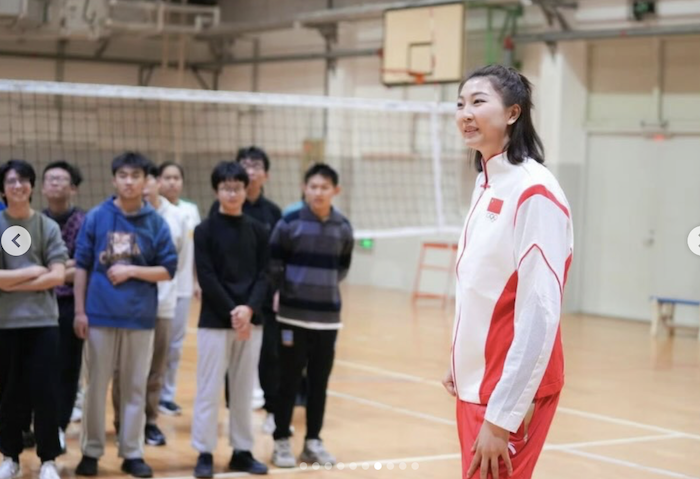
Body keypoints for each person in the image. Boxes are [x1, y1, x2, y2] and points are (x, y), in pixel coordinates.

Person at [442, 65, 574, 479]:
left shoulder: (534, 191)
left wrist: (501, 418)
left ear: (513, 113)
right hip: (480, 378)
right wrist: (461, 358)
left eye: (478, 102)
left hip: (508, 390)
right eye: (460, 104)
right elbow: (482, 287)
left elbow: (540, 311)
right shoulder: (488, 181)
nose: (466, 113)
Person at [73, 152, 178, 478]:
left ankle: (132, 452)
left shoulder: (155, 222)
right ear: (114, 179)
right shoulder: (96, 217)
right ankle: (91, 451)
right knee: (95, 388)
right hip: (99, 316)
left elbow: (168, 269)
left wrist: (132, 270)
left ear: (146, 181)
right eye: (123, 175)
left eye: (135, 176)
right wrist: (79, 311)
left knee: (134, 387)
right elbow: (81, 266)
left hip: (139, 317)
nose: (129, 182)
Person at [268, 163, 354, 469]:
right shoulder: (289, 222)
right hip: (292, 317)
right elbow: (274, 263)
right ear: (304, 188)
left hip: (327, 319)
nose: (318, 192)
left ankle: (313, 441)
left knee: (319, 383)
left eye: (324, 187)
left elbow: (342, 267)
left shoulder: (343, 227)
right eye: (313, 186)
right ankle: (281, 440)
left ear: (335, 191)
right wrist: (289, 291)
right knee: (288, 382)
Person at [191, 161, 269, 477]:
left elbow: (264, 275)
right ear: (216, 191)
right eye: (226, 188)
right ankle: (204, 451)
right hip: (215, 320)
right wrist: (233, 310)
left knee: (244, 389)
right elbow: (206, 276)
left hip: (250, 321)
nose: (232, 193)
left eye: (237, 187)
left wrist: (248, 309)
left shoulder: (259, 230)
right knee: (208, 388)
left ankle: (242, 450)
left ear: (245, 190)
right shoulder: (204, 230)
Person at [0, 159, 68, 479]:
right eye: (11, 181)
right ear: (3, 189)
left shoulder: (47, 226)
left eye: (24, 180)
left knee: (45, 393)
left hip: (43, 323)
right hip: (5, 323)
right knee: (8, 394)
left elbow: (57, 276)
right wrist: (33, 272)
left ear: (31, 186)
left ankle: (48, 460)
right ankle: (10, 457)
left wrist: (11, 282)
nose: (18, 186)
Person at [112, 164, 187, 447]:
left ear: (155, 182)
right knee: (123, 368)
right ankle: (122, 423)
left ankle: (150, 421)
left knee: (156, 368)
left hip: (164, 303)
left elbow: (179, 263)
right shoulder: (122, 215)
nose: (139, 185)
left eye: (144, 178)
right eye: (129, 177)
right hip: (127, 305)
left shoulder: (177, 217)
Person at [208, 147, 282, 430]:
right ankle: (234, 412)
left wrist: (276, 290)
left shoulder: (272, 212)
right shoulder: (220, 210)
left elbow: (277, 259)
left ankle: (273, 412)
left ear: (266, 174)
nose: (250, 171)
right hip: (230, 301)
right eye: (245, 165)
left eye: (256, 166)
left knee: (270, 355)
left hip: (262, 299)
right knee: (231, 358)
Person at [41, 160, 87, 450]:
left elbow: (84, 264)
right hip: (36, 305)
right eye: (50, 179)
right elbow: (25, 262)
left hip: (70, 304)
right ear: (42, 188)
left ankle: (58, 426)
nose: (55, 183)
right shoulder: (33, 222)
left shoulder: (84, 222)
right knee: (35, 368)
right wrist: (63, 268)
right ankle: (33, 425)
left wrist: (51, 270)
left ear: (73, 188)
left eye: (61, 179)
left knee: (67, 369)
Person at [157, 161, 201, 417]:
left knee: (175, 346)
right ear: (157, 181)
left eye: (177, 177)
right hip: (157, 288)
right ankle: (149, 393)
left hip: (183, 288)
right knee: (155, 346)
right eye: (167, 177)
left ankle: (167, 395)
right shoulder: (154, 210)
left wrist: (196, 281)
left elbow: (195, 250)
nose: (172, 182)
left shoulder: (190, 210)